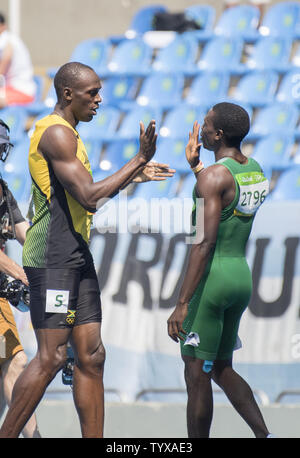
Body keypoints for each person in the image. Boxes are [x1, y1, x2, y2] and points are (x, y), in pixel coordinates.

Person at [0, 61, 174, 438]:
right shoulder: (55, 135)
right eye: (91, 93)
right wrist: (138, 159)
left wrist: (132, 175)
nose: (99, 100)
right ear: (67, 94)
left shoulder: (72, 135)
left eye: (99, 92)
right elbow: (91, 197)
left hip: (76, 255)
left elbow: (83, 201)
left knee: (92, 355)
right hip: (52, 258)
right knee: (52, 357)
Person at [167, 102, 273, 438]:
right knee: (222, 367)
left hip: (212, 282)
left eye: (207, 124)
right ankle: (265, 435)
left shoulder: (213, 178)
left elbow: (204, 243)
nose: (202, 128)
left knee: (196, 373)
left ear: (218, 134)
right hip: (240, 276)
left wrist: (183, 303)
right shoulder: (254, 169)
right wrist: (198, 167)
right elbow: (225, 197)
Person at [0, 119, 40, 437]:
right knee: (15, 363)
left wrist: (53, 254)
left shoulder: (2, 189)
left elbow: (23, 232)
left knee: (12, 365)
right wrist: (21, 272)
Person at [0, 12, 36, 107]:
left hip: (22, 91)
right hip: (10, 89)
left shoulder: (7, 39)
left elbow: (2, 67)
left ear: (3, 26)